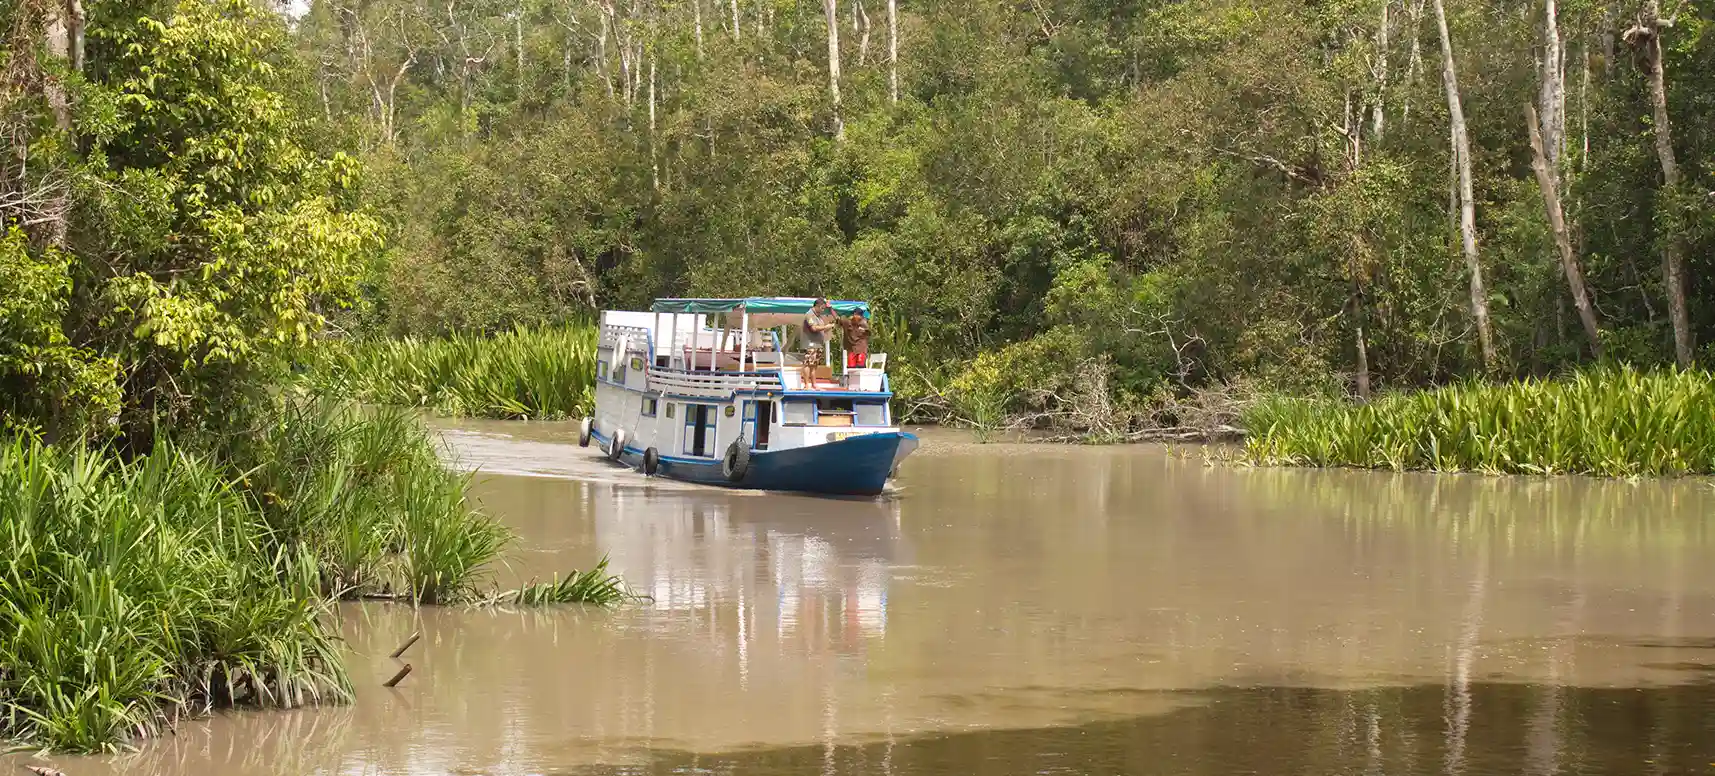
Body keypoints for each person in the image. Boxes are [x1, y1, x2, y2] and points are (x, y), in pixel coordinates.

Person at [801, 298, 837, 385]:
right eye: (822, 308)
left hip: (818, 344)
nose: (823, 310)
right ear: (817, 306)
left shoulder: (818, 316)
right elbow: (814, 328)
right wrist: (826, 326)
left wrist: (828, 328)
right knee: (808, 364)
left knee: (814, 365)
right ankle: (806, 385)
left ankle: (814, 384)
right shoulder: (809, 315)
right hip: (810, 344)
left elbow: (821, 329)